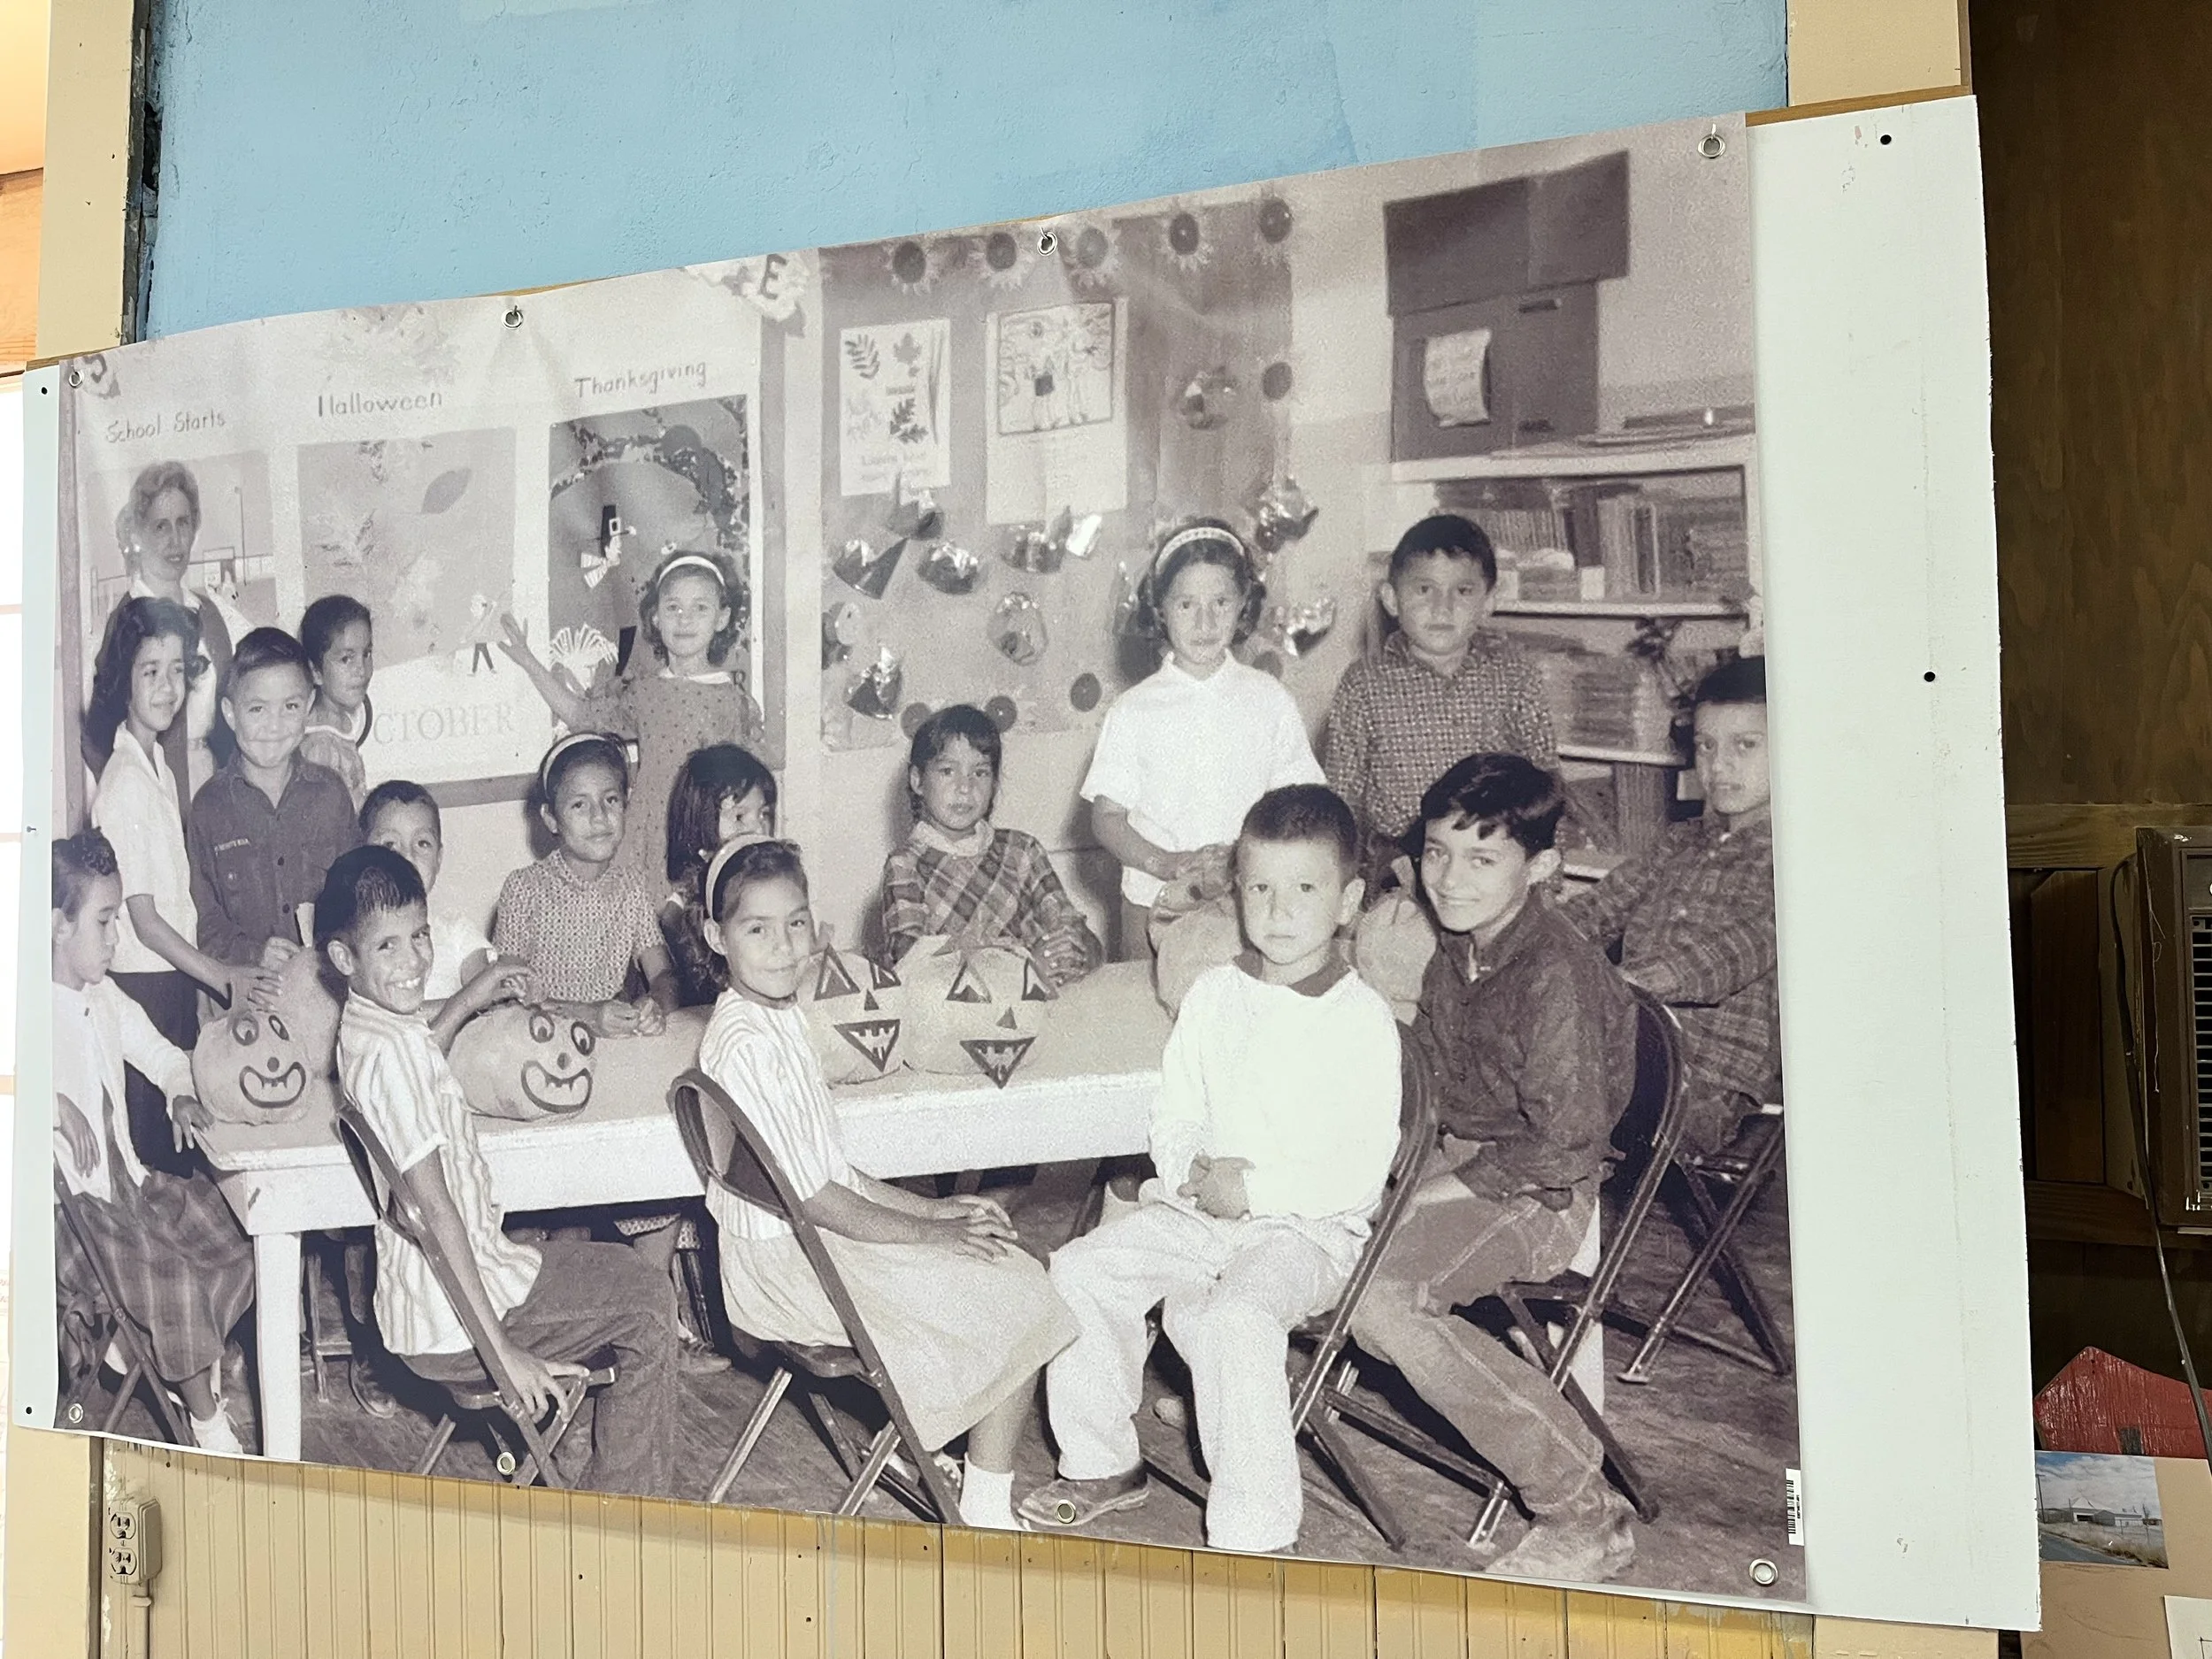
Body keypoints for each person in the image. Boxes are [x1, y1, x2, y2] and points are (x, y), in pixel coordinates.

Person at [1019, 786, 1401, 1552]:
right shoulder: (1217, 994)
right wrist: (1188, 1165)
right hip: (1198, 1212)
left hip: (1306, 1230)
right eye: (1260, 887)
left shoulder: (1361, 1019)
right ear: (1237, 889)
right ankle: (1102, 1462)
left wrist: (1252, 1189)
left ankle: (1253, 1531)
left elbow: (1358, 1168)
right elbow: (1177, 1105)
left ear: (1348, 899)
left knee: (1235, 1316)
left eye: (1305, 888)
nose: (1280, 909)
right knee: (1080, 1269)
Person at [695, 839, 1078, 1529]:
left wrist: (933, 1205)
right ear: (714, 936)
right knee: (1019, 1286)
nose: (783, 946)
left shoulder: (775, 1019)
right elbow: (816, 1197)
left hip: (807, 1244)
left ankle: (923, 1447)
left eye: (796, 923)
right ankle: (985, 1512)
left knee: (994, 1262)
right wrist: (935, 1231)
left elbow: (830, 1171)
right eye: (758, 928)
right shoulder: (745, 1044)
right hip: (790, 1267)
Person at [1347, 754, 1640, 1582]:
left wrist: (1427, 1190)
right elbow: (1431, 1085)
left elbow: (1566, 1144)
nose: (1449, 876)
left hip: (1538, 1192)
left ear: (1542, 865)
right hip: (1458, 1159)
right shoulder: (1457, 949)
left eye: (1482, 858)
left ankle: (1581, 1507)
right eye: (1438, 851)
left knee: (1385, 1300)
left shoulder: (1556, 974)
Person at [319, 845, 680, 1495]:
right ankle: (624, 1516)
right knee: (651, 1301)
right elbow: (434, 1212)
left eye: (420, 937)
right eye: (389, 948)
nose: (412, 962)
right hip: (459, 1320)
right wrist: (503, 1355)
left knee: (627, 1275)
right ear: (344, 958)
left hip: (443, 1295)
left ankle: (586, 1471)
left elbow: (419, 1043)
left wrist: (474, 992)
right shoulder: (392, 1058)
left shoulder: (369, 1030)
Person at [49, 829, 256, 1454]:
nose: (117, 939)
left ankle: (157, 1354)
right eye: (106, 922)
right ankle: (205, 1418)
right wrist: (47, 1104)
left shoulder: (103, 996)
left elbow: (162, 1054)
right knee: (172, 1277)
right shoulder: (23, 1009)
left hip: (128, 1187)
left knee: (236, 1233)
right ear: (59, 924)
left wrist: (178, 1090)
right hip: (74, 1217)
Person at [85, 596, 276, 1175]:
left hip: (169, 982)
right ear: (123, 681)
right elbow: (143, 919)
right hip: (142, 988)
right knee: (159, 1160)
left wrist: (196, 984)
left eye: (177, 671)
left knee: (183, 1150)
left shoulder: (159, 769)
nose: (168, 687)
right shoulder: (123, 786)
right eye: (151, 672)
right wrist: (220, 975)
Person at [1563, 656, 1778, 1153]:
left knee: (1534, 1087)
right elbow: (1596, 909)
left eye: (1745, 746)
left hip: (1701, 1083)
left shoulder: (1798, 861)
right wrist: (1520, 937)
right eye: (1706, 746)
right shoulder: (1678, 843)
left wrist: (1622, 985)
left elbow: (1730, 954)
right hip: (1622, 1047)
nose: (1718, 765)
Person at [1081, 520, 1323, 958]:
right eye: (1187, 604)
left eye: (1221, 602)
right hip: (1153, 899)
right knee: (1152, 1015)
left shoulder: (1269, 700)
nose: (1205, 620)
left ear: (1243, 606)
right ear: (1160, 609)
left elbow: (1302, 803)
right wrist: (1167, 863)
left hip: (1249, 899)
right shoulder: (1133, 710)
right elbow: (1108, 818)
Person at [501, 548, 766, 882]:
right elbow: (582, 716)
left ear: (722, 618)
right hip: (647, 836)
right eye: (673, 607)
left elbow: (747, 793)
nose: (685, 619)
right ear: (656, 617)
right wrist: (529, 662)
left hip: (703, 836)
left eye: (700, 607)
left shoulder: (733, 702)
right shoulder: (644, 692)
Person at [1323, 515, 1558, 879]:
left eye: (1463, 591)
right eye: (1424, 590)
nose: (1442, 607)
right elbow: (1344, 796)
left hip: (1490, 863)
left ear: (1490, 600)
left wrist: (1545, 878)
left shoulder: (1515, 677)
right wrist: (1341, 880)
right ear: (1391, 598)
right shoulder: (1364, 684)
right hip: (1399, 870)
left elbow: (1546, 785)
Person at [880, 704, 1102, 984]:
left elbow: (1082, 938)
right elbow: (913, 968)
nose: (965, 786)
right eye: (948, 771)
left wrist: (1074, 947)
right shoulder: (905, 865)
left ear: (995, 783)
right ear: (918, 781)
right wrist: (1027, 971)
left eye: (981, 772)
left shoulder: (1022, 851)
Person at [185, 627, 360, 974]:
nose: (275, 725)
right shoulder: (208, 809)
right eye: (257, 710)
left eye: (290, 706)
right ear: (231, 713)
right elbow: (207, 923)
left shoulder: (331, 795)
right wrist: (253, 953)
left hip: (326, 990)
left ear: (309, 707)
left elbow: (357, 899)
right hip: (249, 998)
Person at [88, 461, 253, 816]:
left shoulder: (208, 611)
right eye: (160, 526)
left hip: (214, 782)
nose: (175, 540)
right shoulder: (127, 620)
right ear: (139, 533)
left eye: (183, 523)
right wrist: (141, 786)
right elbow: (96, 735)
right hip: (158, 789)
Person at [492, 733, 678, 1036]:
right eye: (580, 805)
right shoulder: (524, 889)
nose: (600, 816)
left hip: (610, 1041)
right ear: (551, 818)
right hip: (542, 1046)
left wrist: (655, 1002)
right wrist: (588, 1015)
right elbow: (507, 997)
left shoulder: (630, 885)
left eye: (611, 800)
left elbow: (664, 974)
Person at [358, 781, 496, 1010]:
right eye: (390, 845)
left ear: (438, 859)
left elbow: (487, 997)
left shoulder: (456, 930)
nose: (406, 857)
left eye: (422, 843)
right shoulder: (355, 938)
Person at [661, 742, 780, 1008]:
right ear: (699, 826)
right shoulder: (682, 909)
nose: (757, 827)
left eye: (764, 814)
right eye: (739, 816)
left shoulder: (770, 887)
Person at [298, 595, 376, 810]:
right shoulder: (319, 748)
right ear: (316, 672)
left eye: (366, 653)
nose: (361, 669)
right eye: (346, 659)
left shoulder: (340, 726)